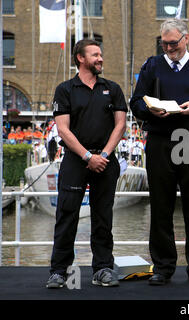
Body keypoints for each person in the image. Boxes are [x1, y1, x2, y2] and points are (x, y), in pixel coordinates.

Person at [130, 18, 189, 286]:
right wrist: (148, 109)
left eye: (173, 43)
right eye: (165, 44)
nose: (169, 49)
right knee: (160, 205)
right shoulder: (152, 66)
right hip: (160, 141)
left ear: (186, 39)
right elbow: (135, 101)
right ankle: (163, 267)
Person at [46, 39, 127, 288]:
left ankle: (102, 268)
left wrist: (103, 154)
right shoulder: (65, 89)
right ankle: (59, 271)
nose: (100, 58)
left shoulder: (112, 89)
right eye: (95, 55)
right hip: (75, 161)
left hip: (105, 161)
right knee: (67, 215)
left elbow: (120, 124)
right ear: (80, 58)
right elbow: (63, 130)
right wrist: (87, 157)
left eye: (100, 54)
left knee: (103, 217)